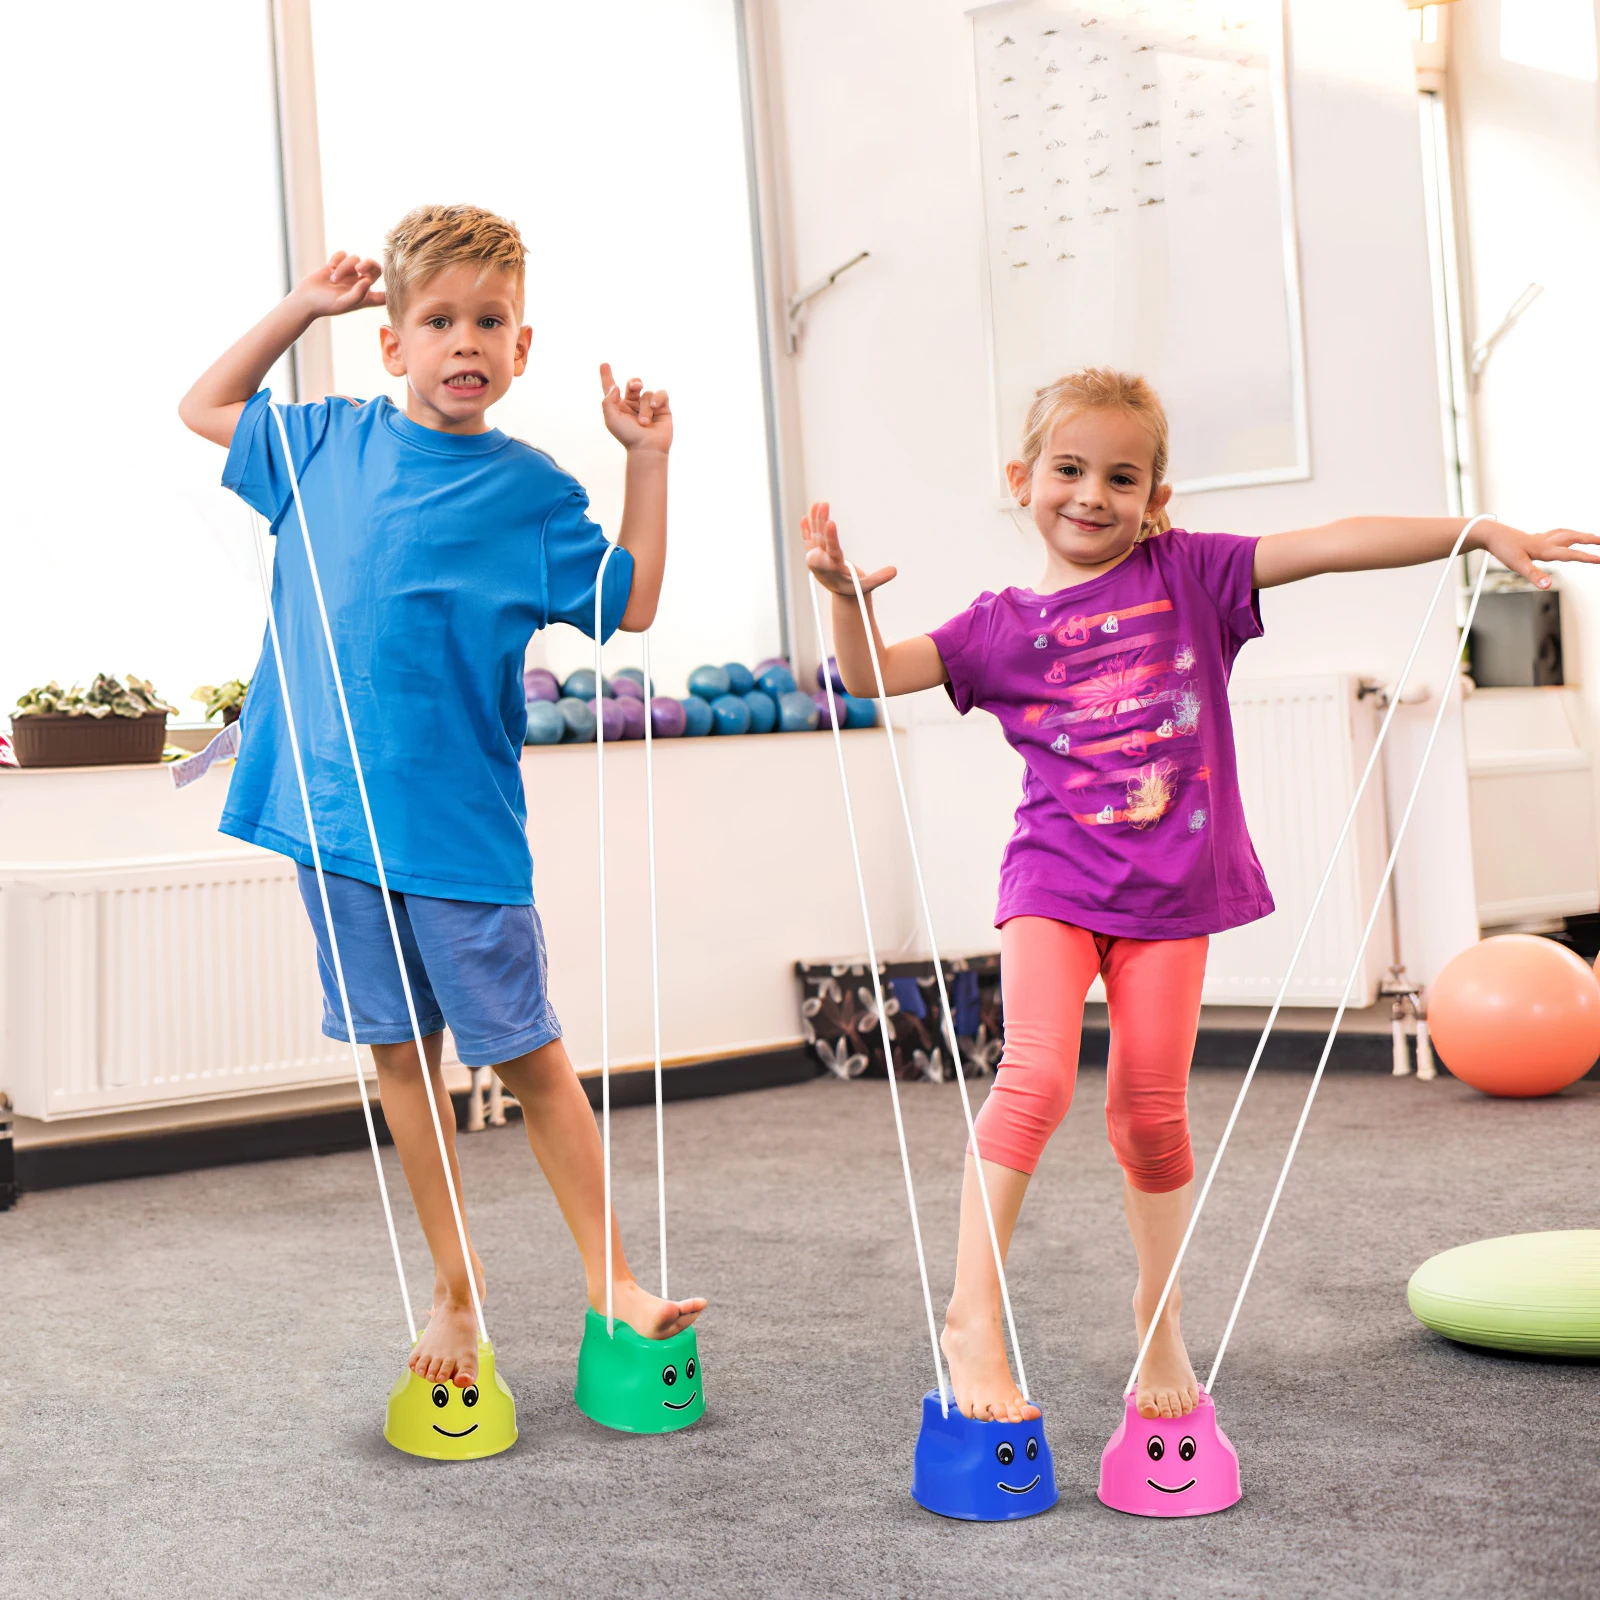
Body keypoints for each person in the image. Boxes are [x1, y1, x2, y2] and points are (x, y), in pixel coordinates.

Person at [802, 366, 1596, 1422]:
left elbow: (1332, 541)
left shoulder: (1193, 576)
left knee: (1148, 1113)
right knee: (1034, 1079)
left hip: (1172, 899)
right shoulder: (998, 628)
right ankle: (971, 1319)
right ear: (1022, 479)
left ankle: (1159, 1310)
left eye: (1121, 478)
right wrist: (844, 599)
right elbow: (869, 675)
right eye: (1068, 469)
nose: (1092, 495)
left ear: (1156, 498)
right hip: (1051, 881)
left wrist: (1472, 530)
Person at [180, 203, 704, 1388]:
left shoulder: (530, 495)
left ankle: (613, 1281)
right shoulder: (323, 442)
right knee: (403, 1058)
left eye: (490, 321)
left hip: (462, 833)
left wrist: (647, 459)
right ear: (391, 342)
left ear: (522, 348)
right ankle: (454, 1290)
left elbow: (630, 601)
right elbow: (205, 406)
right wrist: (304, 305)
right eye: (438, 320)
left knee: (529, 1055)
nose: (465, 340)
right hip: (330, 821)